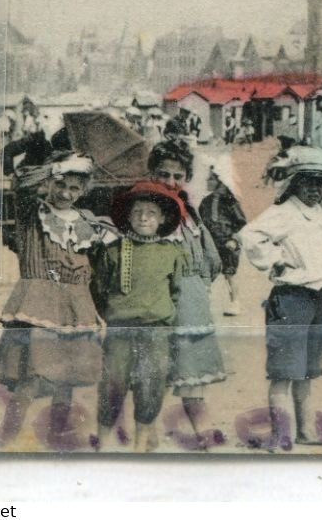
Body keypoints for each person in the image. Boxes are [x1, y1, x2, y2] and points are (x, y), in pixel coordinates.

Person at [0, 153, 112, 442]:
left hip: (76, 306)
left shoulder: (88, 222)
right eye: (61, 185)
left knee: (66, 379)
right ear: (50, 183)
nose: (66, 193)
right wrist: (57, 167)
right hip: (39, 301)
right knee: (30, 376)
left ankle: (57, 438)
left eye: (74, 188)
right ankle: (6, 439)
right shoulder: (33, 212)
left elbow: (101, 264)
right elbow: (20, 183)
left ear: (83, 191)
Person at [239, 145, 322, 447]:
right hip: (291, 299)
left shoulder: (321, 213)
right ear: (295, 182)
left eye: (321, 183)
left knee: (307, 373)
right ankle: (281, 435)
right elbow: (250, 236)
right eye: (309, 182)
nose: (315, 189)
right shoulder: (283, 213)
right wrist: (275, 260)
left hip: (318, 296)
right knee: (283, 373)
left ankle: (306, 431)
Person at [92, 180, 189, 451]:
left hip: (157, 331)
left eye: (150, 213)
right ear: (127, 217)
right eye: (137, 213)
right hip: (120, 330)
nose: (143, 218)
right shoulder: (113, 251)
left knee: (151, 385)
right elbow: (99, 290)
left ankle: (141, 445)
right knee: (113, 383)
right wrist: (117, 313)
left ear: (162, 219)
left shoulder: (172, 253)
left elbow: (177, 293)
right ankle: (104, 443)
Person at [148, 142, 229, 445]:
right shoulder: (146, 211)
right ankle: (144, 432)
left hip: (194, 298)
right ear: (151, 173)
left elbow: (208, 256)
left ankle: (202, 428)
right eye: (163, 174)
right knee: (156, 373)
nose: (170, 182)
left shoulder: (189, 211)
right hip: (165, 298)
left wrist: (203, 282)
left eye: (177, 175)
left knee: (189, 367)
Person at [199, 163, 248, 316]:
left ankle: (235, 302)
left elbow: (242, 223)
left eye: (211, 179)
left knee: (229, 274)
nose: (207, 182)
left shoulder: (230, 202)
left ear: (220, 181)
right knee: (205, 272)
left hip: (228, 244)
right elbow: (200, 222)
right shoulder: (205, 202)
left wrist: (234, 240)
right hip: (210, 244)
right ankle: (203, 303)